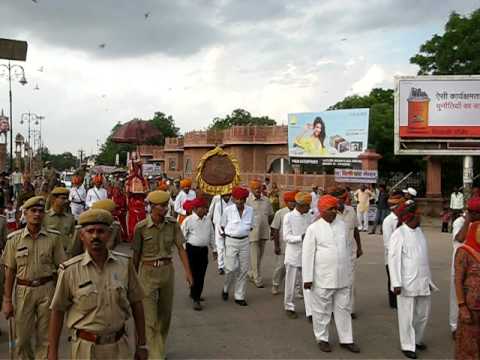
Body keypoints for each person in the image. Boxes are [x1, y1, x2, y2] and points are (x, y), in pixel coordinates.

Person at [48, 209, 148, 360]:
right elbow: (58, 311)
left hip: (120, 347)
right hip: (86, 349)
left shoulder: (124, 265)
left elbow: (137, 304)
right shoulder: (70, 270)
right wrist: (52, 353)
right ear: (82, 236)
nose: (95, 236)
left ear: (109, 234)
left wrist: (141, 345)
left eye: (101, 231)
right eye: (90, 231)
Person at [1, 196, 65, 359]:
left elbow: (62, 269)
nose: (37, 214)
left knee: (45, 338)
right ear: (25, 213)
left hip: (47, 289)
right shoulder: (14, 240)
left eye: (40, 211)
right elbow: (10, 272)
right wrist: (7, 300)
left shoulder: (54, 238)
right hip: (23, 291)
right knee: (22, 338)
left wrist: (62, 296)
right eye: (33, 211)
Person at [133, 190, 193, 359]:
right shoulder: (141, 228)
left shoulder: (173, 224)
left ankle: (158, 347)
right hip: (147, 273)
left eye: (166, 205)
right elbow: (135, 257)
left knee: (165, 316)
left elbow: (181, 248)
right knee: (150, 319)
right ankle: (156, 355)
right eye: (161, 206)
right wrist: (132, 281)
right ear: (152, 207)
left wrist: (188, 273)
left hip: (167, 272)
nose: (165, 208)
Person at [302, 195, 360, 354]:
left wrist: (349, 272)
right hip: (322, 277)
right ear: (321, 211)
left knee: (344, 309)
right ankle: (322, 338)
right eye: (330, 209)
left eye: (335, 208)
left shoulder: (342, 225)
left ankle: (346, 339)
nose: (334, 212)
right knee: (321, 311)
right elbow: (307, 254)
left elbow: (347, 249)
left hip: (342, 276)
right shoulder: (313, 228)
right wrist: (307, 278)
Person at [389, 202, 437, 359]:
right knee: (407, 316)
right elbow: (393, 259)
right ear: (411, 216)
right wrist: (395, 283)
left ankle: (417, 339)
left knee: (422, 314)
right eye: (418, 213)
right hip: (406, 283)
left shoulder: (419, 232)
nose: (421, 216)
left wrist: (429, 280)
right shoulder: (399, 234)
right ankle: (407, 345)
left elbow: (424, 259)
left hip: (423, 281)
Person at [449, 197, 480, 339]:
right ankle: (454, 327)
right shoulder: (459, 222)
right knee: (458, 300)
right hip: (460, 268)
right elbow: (460, 238)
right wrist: (468, 220)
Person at [331, 187, 363, 318]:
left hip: (349, 253)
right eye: (343, 198)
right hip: (333, 254)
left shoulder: (351, 211)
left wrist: (359, 247)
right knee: (334, 281)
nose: (345, 200)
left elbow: (355, 230)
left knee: (350, 282)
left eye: (346, 198)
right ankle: (333, 310)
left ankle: (350, 310)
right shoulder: (329, 213)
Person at [220, 186, 255, 306]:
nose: (239, 202)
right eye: (237, 199)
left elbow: (251, 226)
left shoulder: (250, 210)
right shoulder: (228, 210)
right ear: (233, 199)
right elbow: (222, 226)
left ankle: (239, 296)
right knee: (230, 268)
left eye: (242, 199)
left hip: (245, 241)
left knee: (243, 270)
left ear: (245, 199)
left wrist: (242, 231)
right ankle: (225, 288)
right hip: (231, 241)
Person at [181, 197, 217, 311]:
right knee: (193, 274)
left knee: (201, 274)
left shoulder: (207, 220)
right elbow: (182, 236)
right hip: (191, 250)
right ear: (195, 209)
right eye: (203, 208)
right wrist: (184, 251)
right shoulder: (188, 220)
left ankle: (195, 294)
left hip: (203, 251)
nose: (205, 210)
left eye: (205, 208)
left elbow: (212, 235)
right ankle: (195, 298)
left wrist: (214, 249)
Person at [283, 192, 313, 319]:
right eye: (308, 205)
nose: (309, 207)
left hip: (307, 254)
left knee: (308, 283)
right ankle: (289, 306)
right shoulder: (288, 217)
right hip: (293, 254)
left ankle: (310, 311)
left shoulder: (308, 216)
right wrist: (300, 238)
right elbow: (286, 237)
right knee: (291, 282)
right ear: (300, 205)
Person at [454, 219, 480, 359]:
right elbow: (457, 281)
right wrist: (462, 306)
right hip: (470, 307)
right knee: (468, 344)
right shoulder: (464, 252)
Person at [247, 179, 274, 288]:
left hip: (263, 231)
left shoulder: (266, 200)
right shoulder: (247, 201)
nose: (258, 190)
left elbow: (271, 215)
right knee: (254, 255)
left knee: (260, 255)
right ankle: (257, 278)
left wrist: (270, 228)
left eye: (260, 188)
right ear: (251, 189)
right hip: (252, 232)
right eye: (256, 188)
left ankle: (251, 273)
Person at [270, 191, 297, 295]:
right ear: (286, 202)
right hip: (283, 245)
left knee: (294, 268)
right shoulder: (280, 213)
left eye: (294, 201)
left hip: (295, 245)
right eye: (290, 201)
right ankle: (275, 284)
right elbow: (275, 230)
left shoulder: (300, 213)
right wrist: (276, 246)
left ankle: (294, 289)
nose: (292, 204)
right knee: (281, 267)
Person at [382, 191, 405, 309]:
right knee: (392, 278)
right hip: (392, 255)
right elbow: (388, 243)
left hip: (404, 255)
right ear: (396, 208)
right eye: (401, 206)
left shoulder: (404, 218)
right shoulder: (388, 221)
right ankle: (394, 303)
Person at [43, 187, 76, 253]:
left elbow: (73, 236)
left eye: (67, 198)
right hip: (49, 253)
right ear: (54, 199)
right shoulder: (44, 217)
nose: (66, 201)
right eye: (63, 198)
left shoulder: (70, 218)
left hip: (65, 253)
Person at [209, 192, 233, 275]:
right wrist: (221, 231)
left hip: (229, 228)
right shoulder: (218, 203)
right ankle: (221, 266)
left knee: (228, 247)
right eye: (226, 195)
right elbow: (217, 219)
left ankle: (228, 265)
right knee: (220, 247)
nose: (227, 197)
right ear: (222, 195)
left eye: (229, 195)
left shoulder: (232, 204)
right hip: (219, 228)